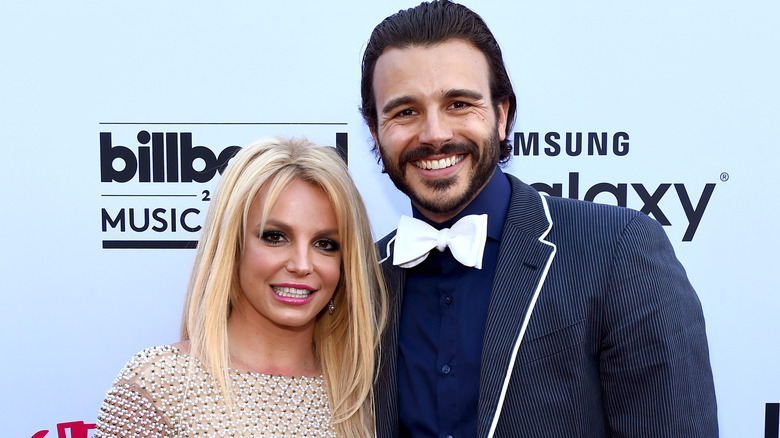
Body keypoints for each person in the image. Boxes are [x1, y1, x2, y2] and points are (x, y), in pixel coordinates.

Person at [360, 1, 718, 437]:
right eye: (405, 111)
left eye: (458, 103)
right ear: (375, 132)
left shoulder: (617, 249)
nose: (434, 133)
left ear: (502, 115)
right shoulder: (361, 282)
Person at [94, 137, 386, 438]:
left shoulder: (365, 395)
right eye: (275, 237)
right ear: (232, 246)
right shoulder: (160, 384)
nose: (302, 264)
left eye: (325, 244)